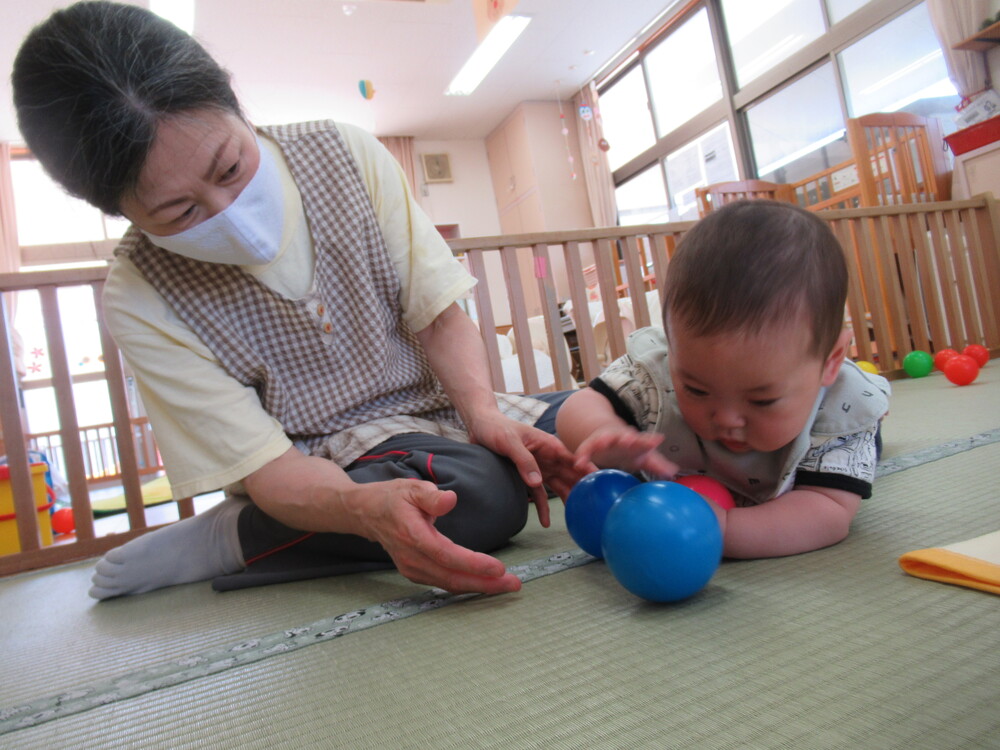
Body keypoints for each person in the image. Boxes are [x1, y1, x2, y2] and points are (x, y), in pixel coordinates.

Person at [12, 1, 583, 599]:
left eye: (231, 166)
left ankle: (291, 531)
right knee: (483, 496)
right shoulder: (141, 293)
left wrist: (485, 414)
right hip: (325, 465)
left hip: (438, 419)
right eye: (180, 211)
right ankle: (238, 536)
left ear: (234, 100)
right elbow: (272, 468)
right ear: (120, 212)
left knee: (607, 418)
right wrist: (361, 508)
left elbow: (440, 316)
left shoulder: (346, 154)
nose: (230, 215)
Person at [556, 200, 891, 559]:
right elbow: (580, 403)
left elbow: (828, 511)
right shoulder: (657, 376)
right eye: (697, 390)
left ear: (830, 361)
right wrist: (601, 431)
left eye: (762, 400)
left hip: (814, 454)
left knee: (860, 456)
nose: (727, 419)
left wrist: (723, 529)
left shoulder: (839, 414)